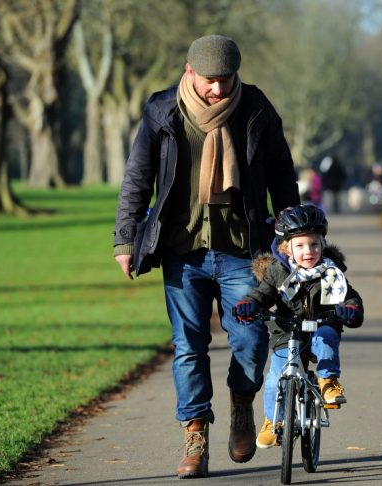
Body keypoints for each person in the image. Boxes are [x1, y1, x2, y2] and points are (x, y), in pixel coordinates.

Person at [112, 34, 300, 479]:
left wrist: (292, 232)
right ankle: (195, 435)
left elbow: (282, 174)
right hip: (183, 251)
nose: (218, 90)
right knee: (188, 348)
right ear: (189, 71)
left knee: (252, 343)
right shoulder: (162, 110)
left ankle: (240, 404)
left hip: (244, 251)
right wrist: (125, 240)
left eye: (227, 80)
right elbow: (138, 177)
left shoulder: (255, 109)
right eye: (210, 81)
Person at [233, 204, 364, 449]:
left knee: (327, 336)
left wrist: (351, 309)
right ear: (286, 248)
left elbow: (350, 296)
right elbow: (261, 294)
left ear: (322, 244)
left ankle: (328, 381)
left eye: (314, 244)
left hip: (321, 327)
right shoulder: (278, 272)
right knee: (274, 379)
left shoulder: (331, 272)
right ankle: (273, 421)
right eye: (300, 245)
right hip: (288, 332)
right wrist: (248, 304)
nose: (308, 251)